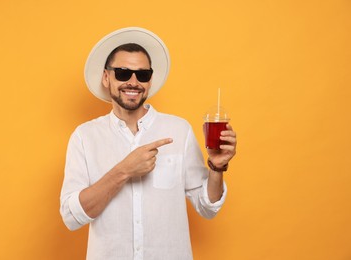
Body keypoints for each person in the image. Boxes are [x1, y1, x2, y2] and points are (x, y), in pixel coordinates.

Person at [60, 27, 237, 260]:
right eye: (123, 73)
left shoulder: (179, 130)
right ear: (106, 77)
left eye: (142, 75)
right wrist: (124, 170)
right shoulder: (85, 137)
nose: (133, 82)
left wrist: (216, 168)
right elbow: (72, 217)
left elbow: (208, 207)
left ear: (150, 80)